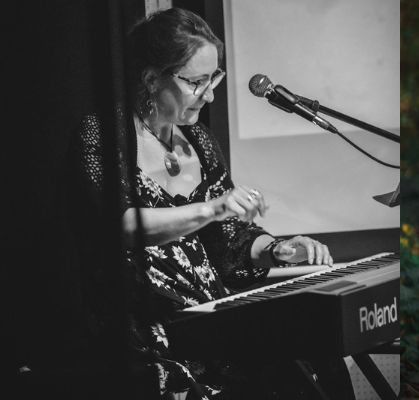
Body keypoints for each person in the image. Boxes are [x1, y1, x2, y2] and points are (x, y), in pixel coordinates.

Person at [74, 8, 351, 399]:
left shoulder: (200, 143)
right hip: (147, 332)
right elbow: (123, 226)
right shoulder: (105, 133)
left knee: (313, 353)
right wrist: (215, 207)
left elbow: (229, 243)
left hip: (210, 322)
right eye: (197, 81)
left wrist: (277, 250)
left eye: (215, 77)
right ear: (152, 79)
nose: (211, 93)